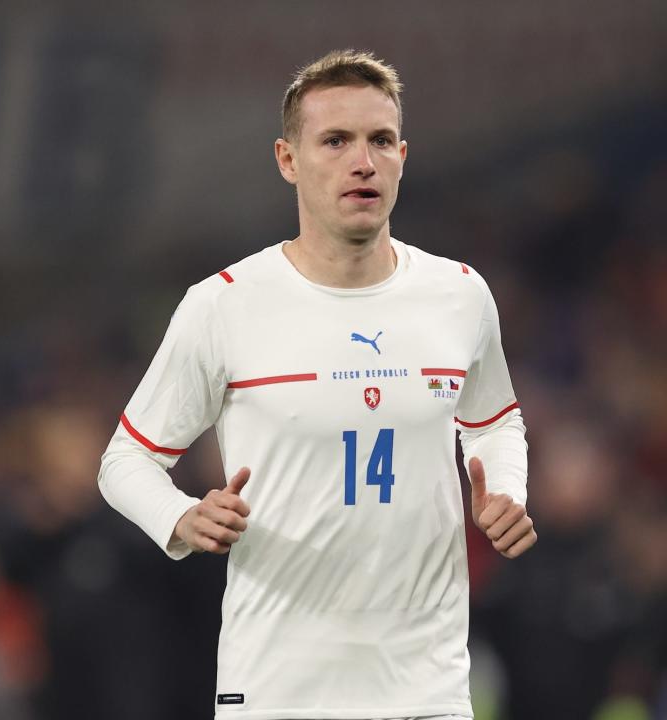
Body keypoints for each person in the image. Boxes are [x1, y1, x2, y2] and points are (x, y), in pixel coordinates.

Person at [98, 49, 537, 720]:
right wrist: (181, 516)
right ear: (287, 160)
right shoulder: (224, 306)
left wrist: (505, 489)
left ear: (402, 156)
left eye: (380, 140)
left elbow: (496, 421)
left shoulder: (459, 294)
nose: (362, 160)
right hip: (279, 691)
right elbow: (126, 461)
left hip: (426, 688)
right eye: (335, 140)